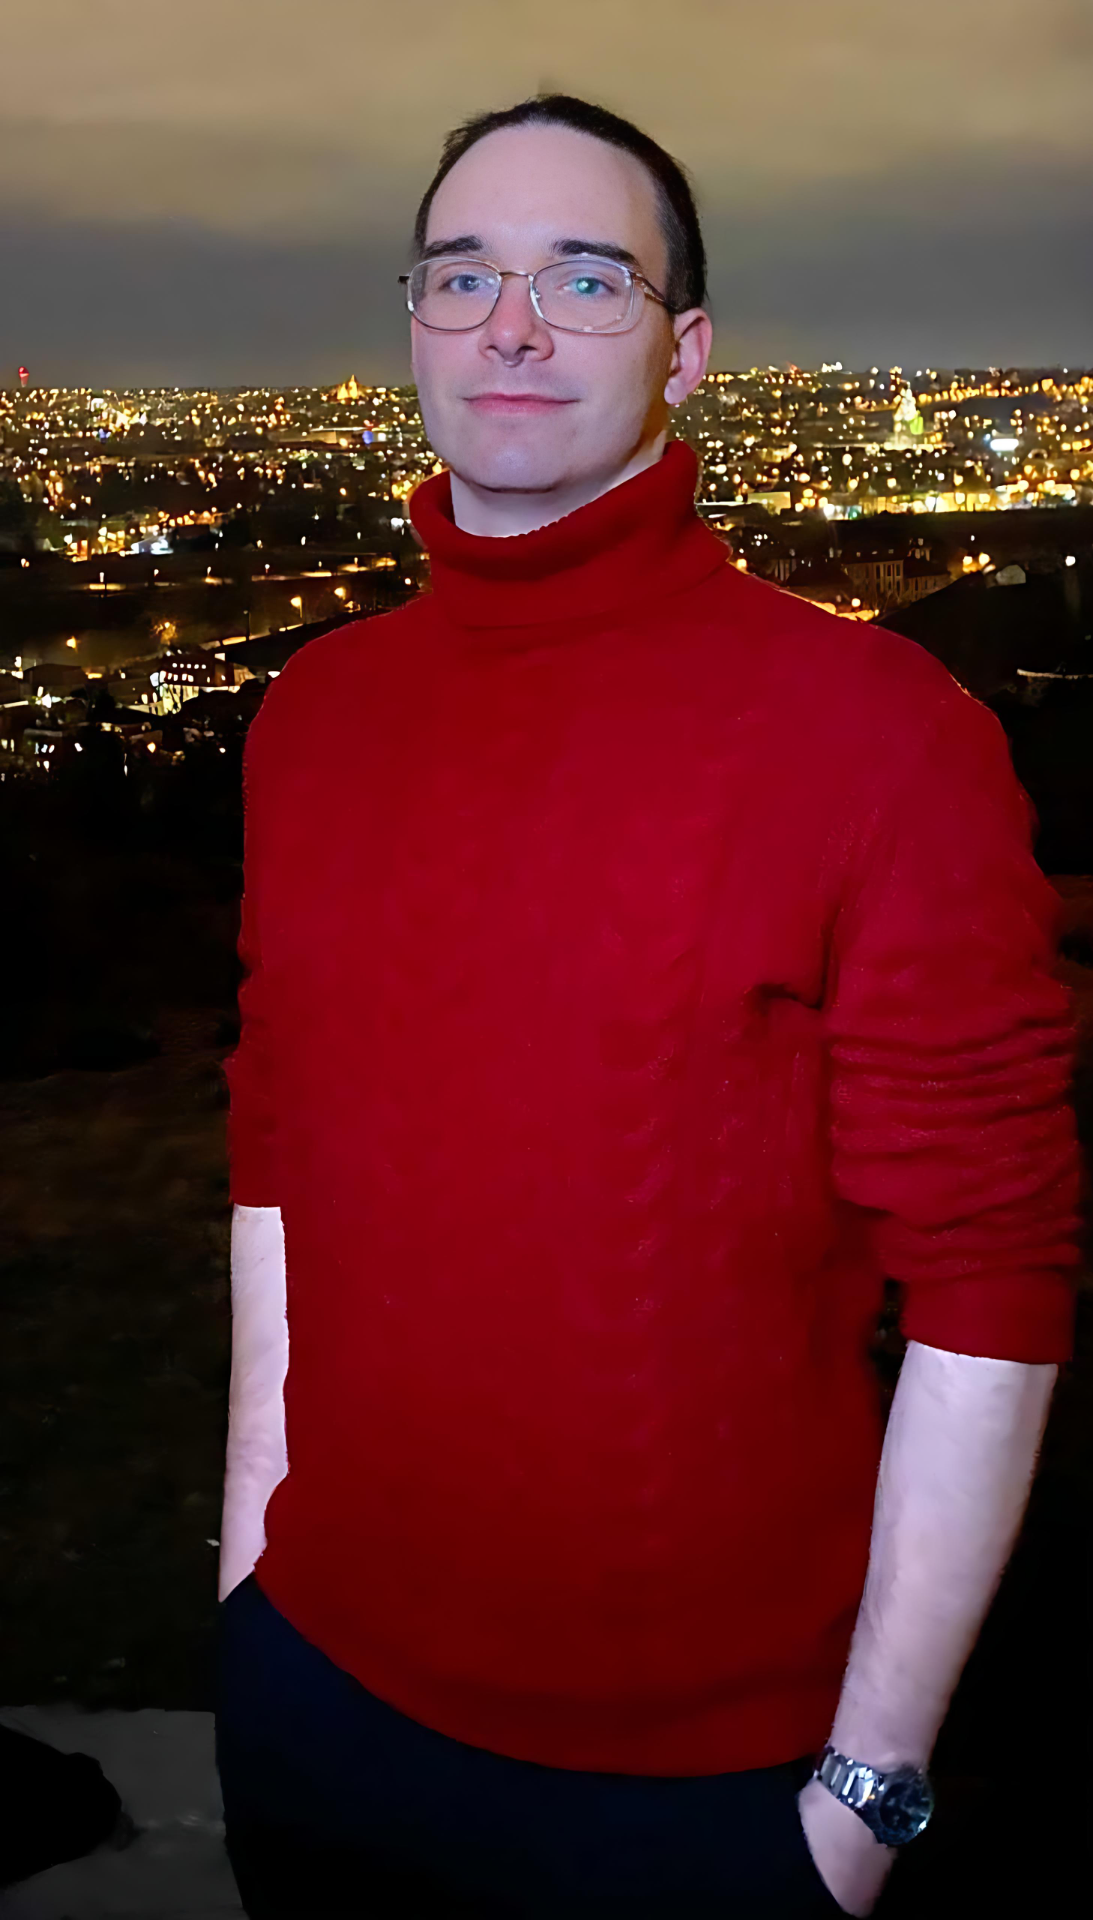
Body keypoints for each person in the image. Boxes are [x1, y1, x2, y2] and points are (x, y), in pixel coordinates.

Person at [214, 94, 1080, 1919]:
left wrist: (868, 1790)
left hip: (701, 1797)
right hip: (316, 1706)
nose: (510, 324)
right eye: (465, 274)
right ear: (416, 322)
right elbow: (279, 1158)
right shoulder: (315, 717)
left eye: (583, 277)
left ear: (684, 352)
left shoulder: (879, 737)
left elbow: (993, 1277)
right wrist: (247, 1585)